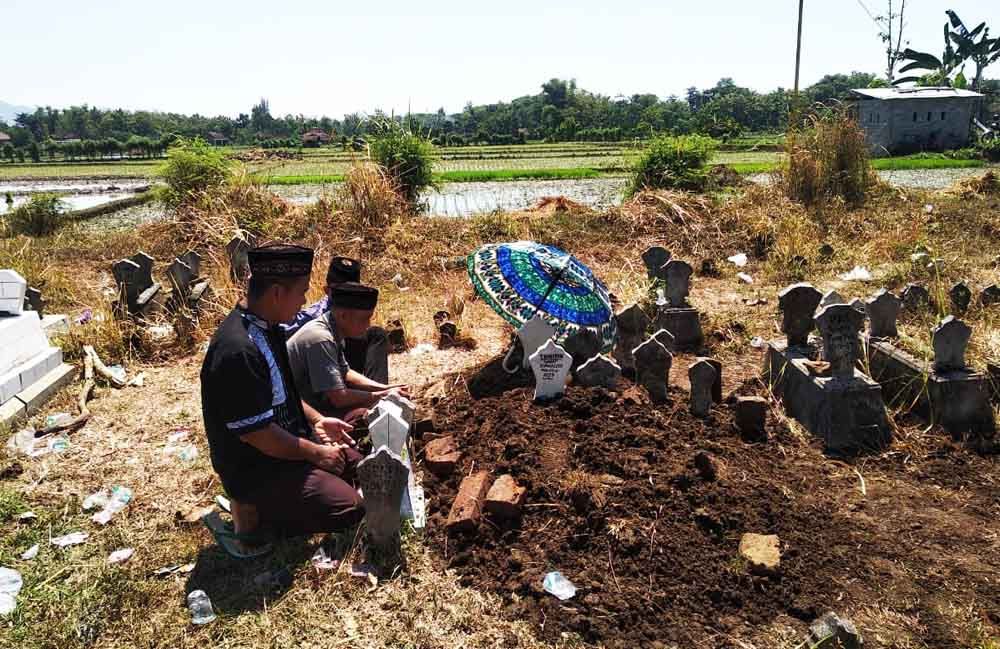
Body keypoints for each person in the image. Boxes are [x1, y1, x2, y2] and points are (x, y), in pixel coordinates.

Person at [199, 243, 364, 558]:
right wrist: (317, 453)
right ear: (277, 293)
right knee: (350, 507)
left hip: (288, 445)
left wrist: (317, 421)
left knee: (362, 468)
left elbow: (283, 394)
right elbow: (259, 434)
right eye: (302, 292)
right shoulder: (238, 349)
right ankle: (252, 518)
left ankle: (288, 498)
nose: (305, 301)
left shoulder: (269, 327)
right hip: (258, 467)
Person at [287, 282, 410, 423]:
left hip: (313, 402)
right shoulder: (321, 338)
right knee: (367, 415)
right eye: (364, 319)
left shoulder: (334, 329)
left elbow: (345, 372)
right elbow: (338, 397)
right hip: (295, 414)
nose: (368, 325)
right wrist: (381, 395)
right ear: (343, 315)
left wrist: (385, 388)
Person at [284, 256, 389, 384]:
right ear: (327, 290)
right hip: (320, 367)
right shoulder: (314, 320)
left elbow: (345, 370)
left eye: (352, 291)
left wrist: (381, 389)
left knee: (376, 334)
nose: (347, 296)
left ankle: (378, 391)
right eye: (341, 291)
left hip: (342, 360)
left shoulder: (355, 314)